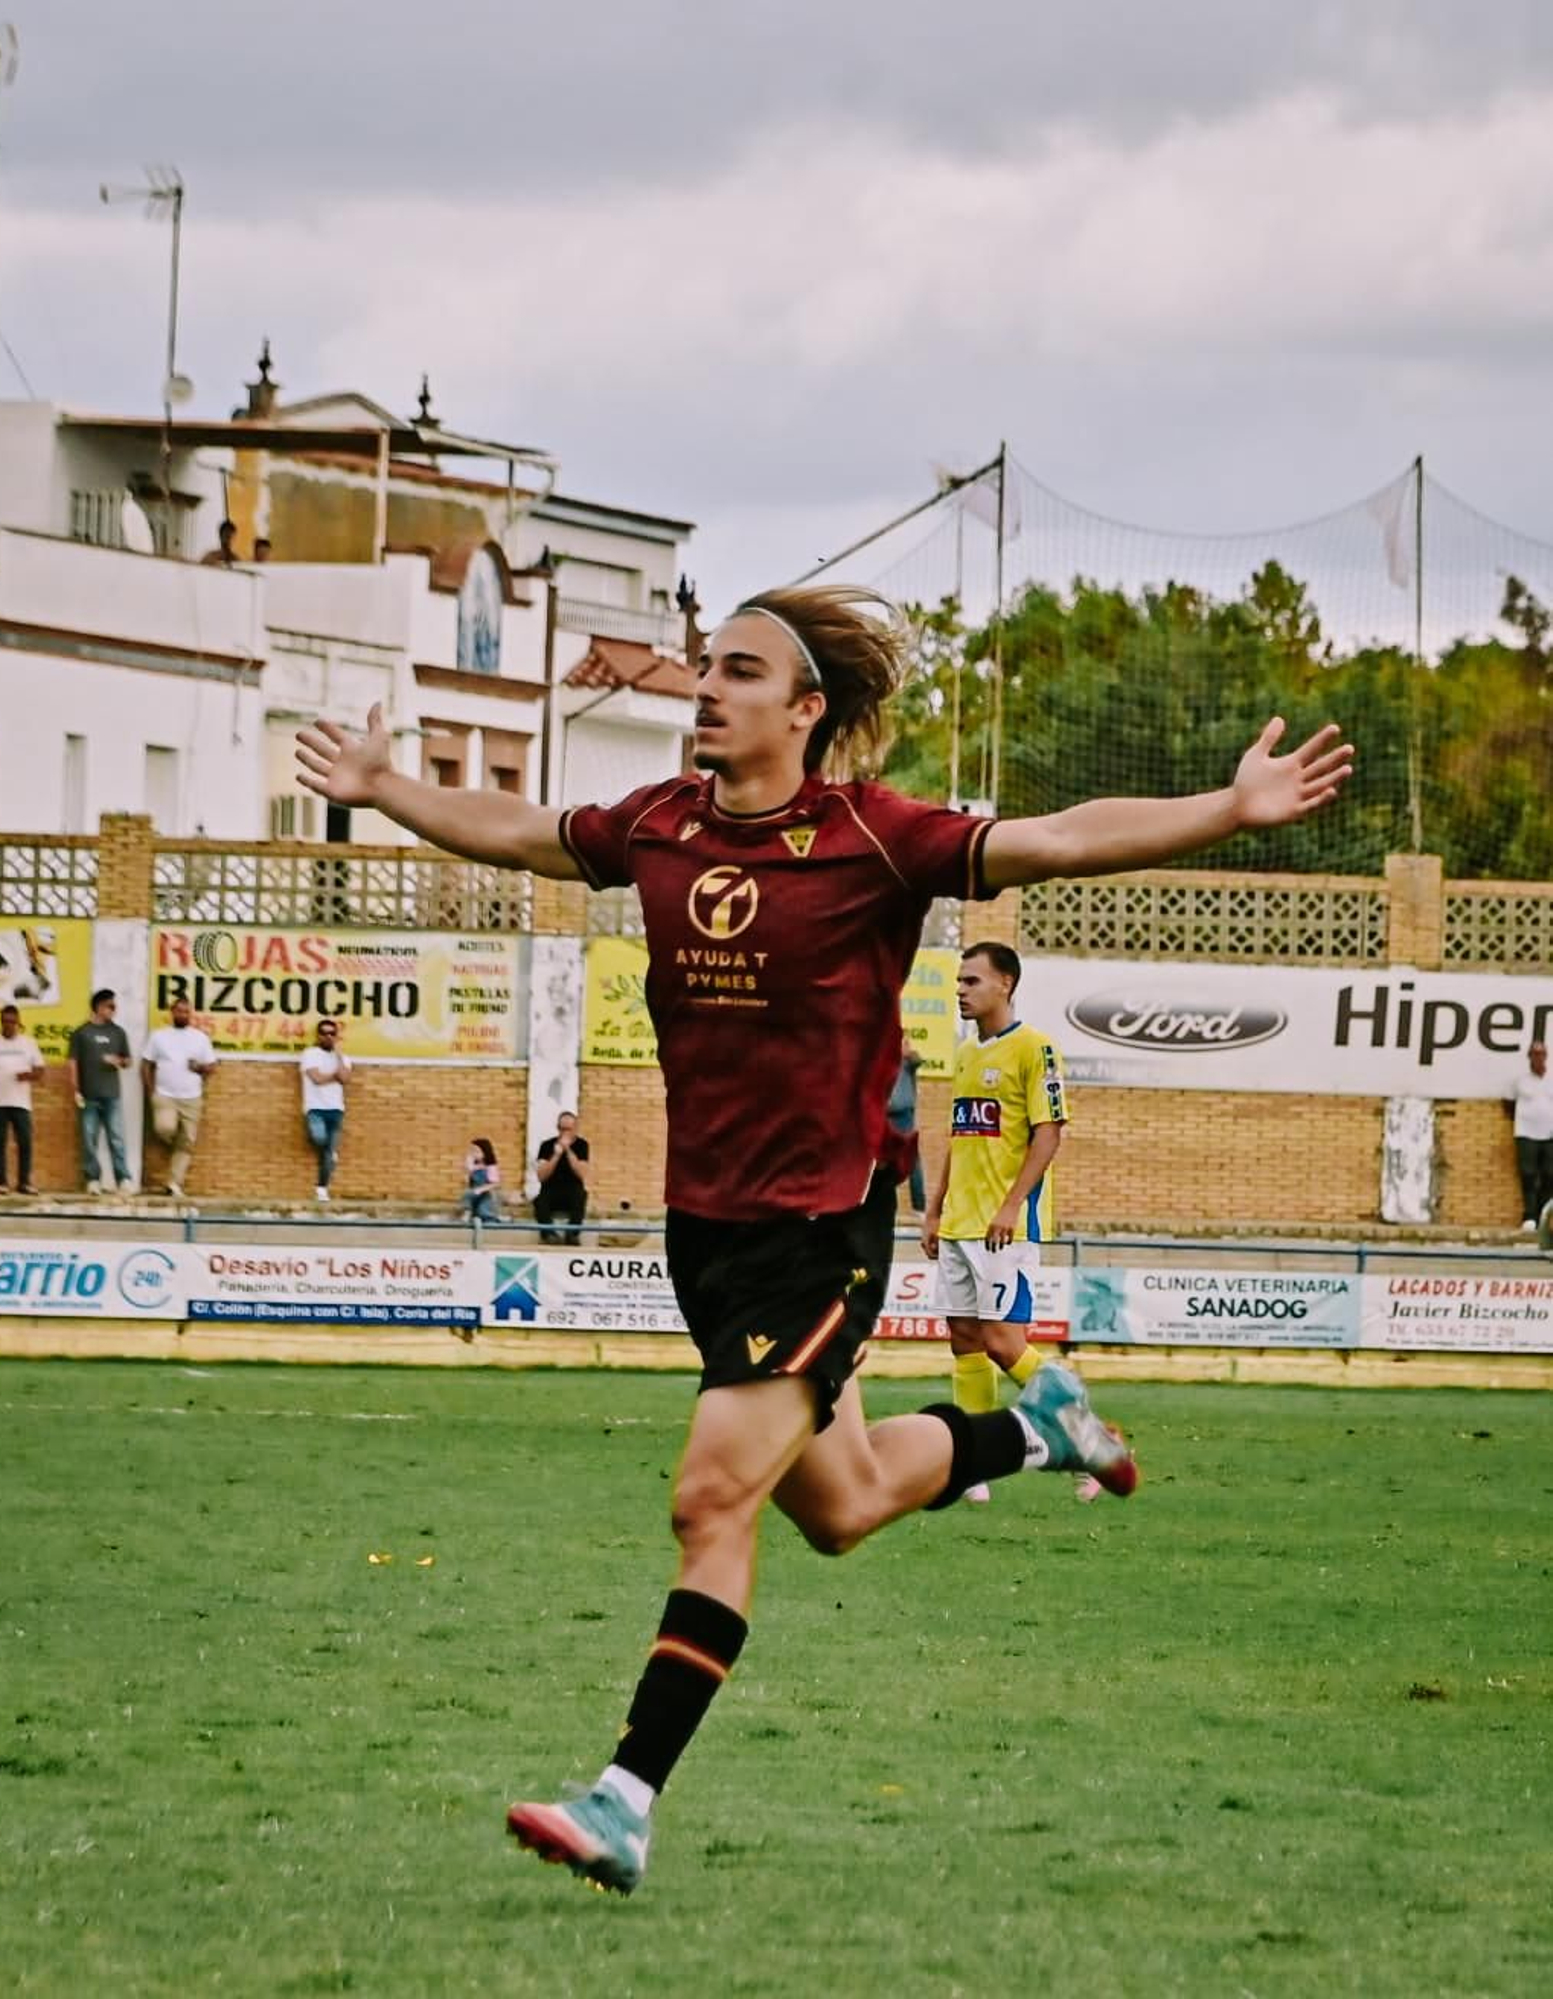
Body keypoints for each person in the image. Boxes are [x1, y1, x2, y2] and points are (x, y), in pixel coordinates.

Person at [296, 579, 1354, 1897]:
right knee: (843, 1504)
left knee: (709, 1497)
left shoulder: (875, 834)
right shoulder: (658, 823)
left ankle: (626, 1797)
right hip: (708, 1235)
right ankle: (1041, 1426)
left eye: (741, 670)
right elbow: (515, 827)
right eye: (706, 666)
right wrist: (388, 785)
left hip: (820, 1232)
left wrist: (1227, 808)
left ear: (806, 709)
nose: (707, 685)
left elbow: (1065, 838)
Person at [922, 942, 1068, 1505]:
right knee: (963, 1340)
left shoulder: (1036, 1049)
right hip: (960, 1222)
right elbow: (961, 1138)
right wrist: (936, 1208)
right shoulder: (964, 1054)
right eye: (959, 982)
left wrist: (1011, 1205)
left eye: (972, 981)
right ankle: (973, 1470)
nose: (961, 990)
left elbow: (1048, 1134)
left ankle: (1084, 1427)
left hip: (1005, 1226)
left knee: (1006, 1344)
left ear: (1005, 983)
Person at [141, 997, 218, 1198]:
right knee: (165, 1128)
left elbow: (211, 1067)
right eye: (179, 1011)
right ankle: (173, 1143)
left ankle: (174, 1184)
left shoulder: (200, 1037)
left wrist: (199, 1067)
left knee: (187, 1143)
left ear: (190, 1014)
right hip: (165, 1095)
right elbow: (146, 1064)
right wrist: (151, 1092)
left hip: (192, 1098)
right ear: (172, 1013)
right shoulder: (159, 1036)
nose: (182, 1015)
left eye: (186, 1012)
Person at [68, 988, 135, 1194]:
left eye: (115, 1007)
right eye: (110, 1006)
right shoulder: (81, 1033)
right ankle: (92, 1179)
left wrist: (118, 1061)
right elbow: (72, 1063)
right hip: (88, 1095)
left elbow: (129, 1061)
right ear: (98, 1007)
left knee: (116, 1137)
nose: (114, 1010)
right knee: (89, 1138)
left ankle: (123, 1178)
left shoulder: (118, 1032)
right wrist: (75, 1090)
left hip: (112, 1095)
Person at [0, 1004, 44, 1194]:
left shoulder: (28, 1043)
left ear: (18, 1022)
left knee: (25, 1142)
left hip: (21, 1102)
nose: (9, 1025)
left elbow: (40, 1070)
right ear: (0, 1022)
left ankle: (24, 1183)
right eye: (5, 1021)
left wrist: (27, 1076)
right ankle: (2, 1183)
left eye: (12, 1022)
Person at [299, 1018, 351, 1202]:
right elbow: (316, 1079)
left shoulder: (342, 1058)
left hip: (336, 1109)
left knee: (329, 1154)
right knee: (319, 1138)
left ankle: (322, 1189)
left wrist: (337, 1054)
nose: (328, 1037)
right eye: (324, 1033)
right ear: (318, 1035)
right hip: (315, 1108)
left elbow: (345, 1078)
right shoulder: (310, 1054)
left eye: (332, 1033)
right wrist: (334, 1076)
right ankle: (327, 1152)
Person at [1505, 1041, 1553, 1232]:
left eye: (1541, 1054)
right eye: (1534, 1054)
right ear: (1529, 1058)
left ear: (1546, 1057)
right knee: (1528, 1175)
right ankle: (1530, 1217)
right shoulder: (1520, 1081)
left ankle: (1543, 1216)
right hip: (1526, 1134)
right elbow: (1508, 1104)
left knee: (1550, 1175)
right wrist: (1525, 1119)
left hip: (1550, 1135)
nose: (1538, 1058)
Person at [534, 1110, 590, 1244]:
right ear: (558, 1128)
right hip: (551, 1189)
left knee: (581, 1195)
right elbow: (541, 1176)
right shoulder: (547, 1145)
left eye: (569, 1129)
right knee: (539, 1200)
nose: (565, 1132)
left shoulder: (581, 1145)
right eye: (562, 1129)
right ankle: (549, 1234)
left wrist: (569, 1151)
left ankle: (572, 1234)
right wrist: (556, 1155)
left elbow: (582, 1173)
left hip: (572, 1189)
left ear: (575, 1129)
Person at [885, 1032, 925, 1213]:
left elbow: (917, 1060)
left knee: (912, 1162)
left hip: (904, 1117)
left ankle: (920, 1207)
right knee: (883, 1162)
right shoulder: (883, 1061)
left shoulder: (908, 1062)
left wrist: (907, 1052)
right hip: (885, 1116)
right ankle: (884, 1207)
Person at [463, 1136, 503, 1222]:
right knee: (467, 1195)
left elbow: (495, 1183)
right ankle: (468, 1211)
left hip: (486, 1194)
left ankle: (492, 1220)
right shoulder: (475, 1167)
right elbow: (467, 1172)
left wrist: (481, 1189)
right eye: (472, 1151)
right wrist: (469, 1161)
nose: (474, 1153)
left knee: (484, 1211)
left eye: (476, 1151)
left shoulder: (490, 1167)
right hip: (474, 1193)